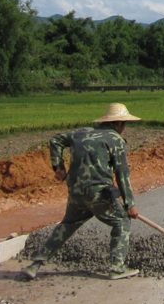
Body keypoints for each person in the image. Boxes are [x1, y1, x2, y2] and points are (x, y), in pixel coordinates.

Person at [21, 103, 142, 281]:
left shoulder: (81, 133)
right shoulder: (115, 140)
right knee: (122, 222)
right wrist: (130, 204)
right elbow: (122, 173)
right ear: (120, 123)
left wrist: (58, 166)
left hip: (76, 193)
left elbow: (55, 140)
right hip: (98, 193)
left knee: (67, 225)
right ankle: (117, 268)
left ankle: (35, 265)